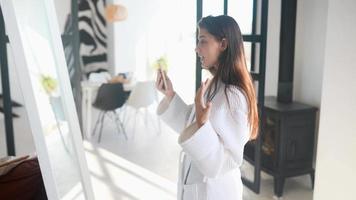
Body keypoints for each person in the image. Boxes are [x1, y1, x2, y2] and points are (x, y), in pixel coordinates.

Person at [156, 15, 259, 200]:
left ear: (223, 44)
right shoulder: (215, 84)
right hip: (199, 187)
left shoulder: (234, 96)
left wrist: (203, 123)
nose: (197, 48)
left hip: (216, 192)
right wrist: (170, 94)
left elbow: (228, 160)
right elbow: (192, 123)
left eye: (203, 41)